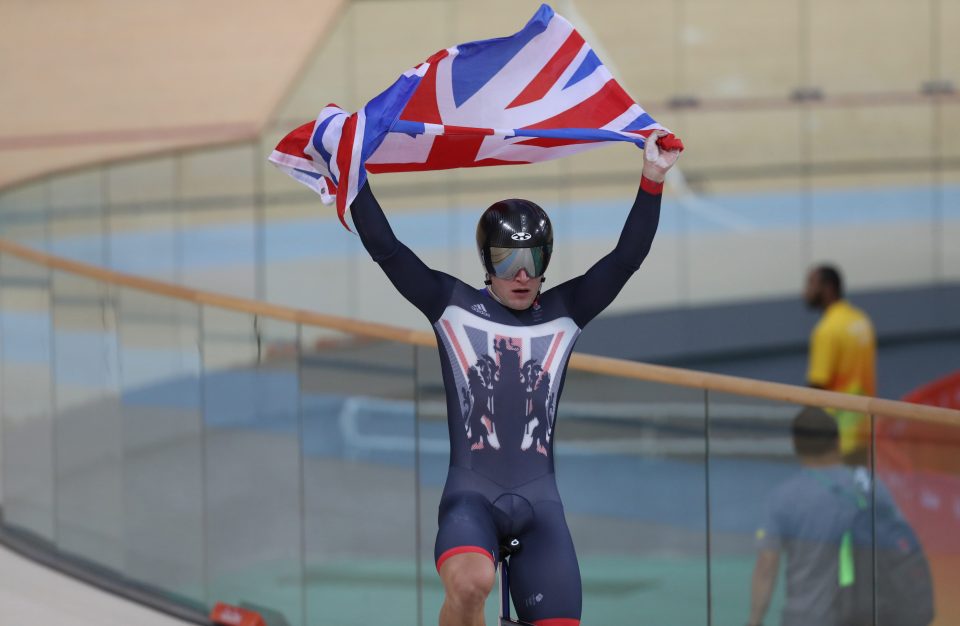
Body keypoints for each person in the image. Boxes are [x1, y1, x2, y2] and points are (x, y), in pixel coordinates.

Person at [349, 131, 680, 626]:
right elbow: (388, 250)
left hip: (540, 505)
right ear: (487, 262)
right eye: (508, 261)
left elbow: (625, 259)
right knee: (471, 583)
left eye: (534, 261)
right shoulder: (450, 304)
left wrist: (652, 178)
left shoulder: (567, 309)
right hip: (470, 498)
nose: (522, 275)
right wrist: (352, 174)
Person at [747, 407, 904, 626]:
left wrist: (754, 621)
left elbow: (767, 565)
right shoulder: (869, 485)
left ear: (796, 446)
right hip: (866, 616)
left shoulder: (783, 497)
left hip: (804, 618)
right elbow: (901, 542)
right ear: (838, 441)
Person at [803, 265, 877, 464]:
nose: (806, 291)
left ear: (828, 288)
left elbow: (817, 387)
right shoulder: (862, 321)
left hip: (836, 436)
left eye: (811, 284)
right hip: (864, 427)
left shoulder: (827, 330)